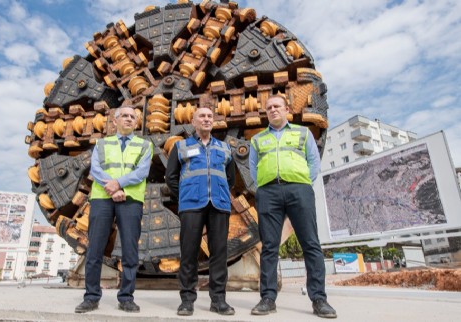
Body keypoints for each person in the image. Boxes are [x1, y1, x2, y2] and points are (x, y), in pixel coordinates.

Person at [249, 95, 337, 318]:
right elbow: (253, 170)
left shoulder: (302, 133)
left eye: (277, 106)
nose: (273, 110)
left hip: (299, 190)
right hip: (268, 192)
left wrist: (303, 182)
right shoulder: (258, 140)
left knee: (310, 244)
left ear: (287, 109)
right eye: (269, 108)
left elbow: (314, 162)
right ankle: (267, 298)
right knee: (269, 247)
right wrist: (263, 188)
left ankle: (319, 299)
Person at [75, 105, 153, 314]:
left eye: (132, 117)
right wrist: (112, 188)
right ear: (115, 121)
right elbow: (96, 169)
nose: (128, 119)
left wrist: (118, 184)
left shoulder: (145, 145)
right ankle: (91, 297)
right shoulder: (102, 143)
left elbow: (141, 172)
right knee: (95, 248)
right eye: (124, 116)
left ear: (136, 123)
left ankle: (126, 297)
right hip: (102, 198)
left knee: (130, 250)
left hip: (130, 198)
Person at [165, 107, 236, 316]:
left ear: (212, 122)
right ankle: (187, 300)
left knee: (219, 254)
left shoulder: (225, 148)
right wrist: (187, 195)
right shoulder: (180, 146)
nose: (206, 119)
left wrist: (220, 192)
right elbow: (171, 178)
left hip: (219, 206)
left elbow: (230, 179)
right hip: (191, 206)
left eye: (209, 116)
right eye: (202, 116)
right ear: (193, 122)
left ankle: (219, 300)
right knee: (188, 254)